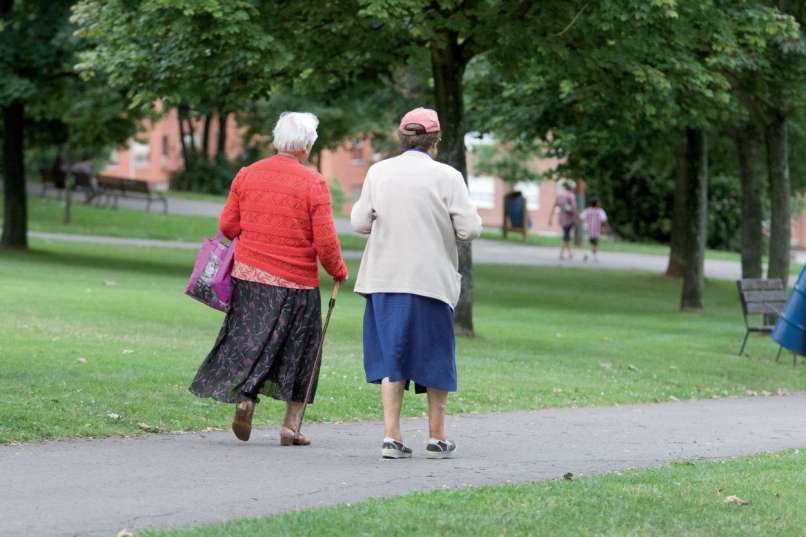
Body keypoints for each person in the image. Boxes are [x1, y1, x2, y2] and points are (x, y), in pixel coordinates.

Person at [189, 112, 348, 446]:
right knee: (300, 350)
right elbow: (325, 241)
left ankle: (246, 397)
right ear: (307, 144)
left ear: (278, 140)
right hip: (297, 283)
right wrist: (338, 270)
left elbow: (229, 226)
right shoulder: (313, 182)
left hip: (249, 277)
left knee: (250, 341)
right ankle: (291, 426)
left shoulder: (248, 174)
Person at [351, 107, 483, 460]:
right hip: (429, 280)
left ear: (402, 138)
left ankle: (391, 437)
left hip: (384, 278)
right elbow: (470, 229)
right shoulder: (448, 177)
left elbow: (360, 222)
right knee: (435, 354)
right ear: (435, 141)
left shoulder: (379, 172)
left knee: (391, 355)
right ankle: (436, 436)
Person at [549, 180, 577, 260]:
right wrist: (575, 219)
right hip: (569, 219)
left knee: (566, 235)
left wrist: (550, 218)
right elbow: (574, 208)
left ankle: (570, 253)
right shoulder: (571, 196)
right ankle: (562, 253)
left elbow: (554, 207)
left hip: (561, 219)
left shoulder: (560, 195)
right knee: (566, 236)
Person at [580, 198, 608, 263]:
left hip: (588, 230)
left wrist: (585, 223)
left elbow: (581, 218)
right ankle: (591, 255)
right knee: (596, 244)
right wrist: (604, 228)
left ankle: (589, 255)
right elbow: (604, 220)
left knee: (593, 243)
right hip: (597, 230)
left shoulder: (587, 210)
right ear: (597, 203)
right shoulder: (600, 211)